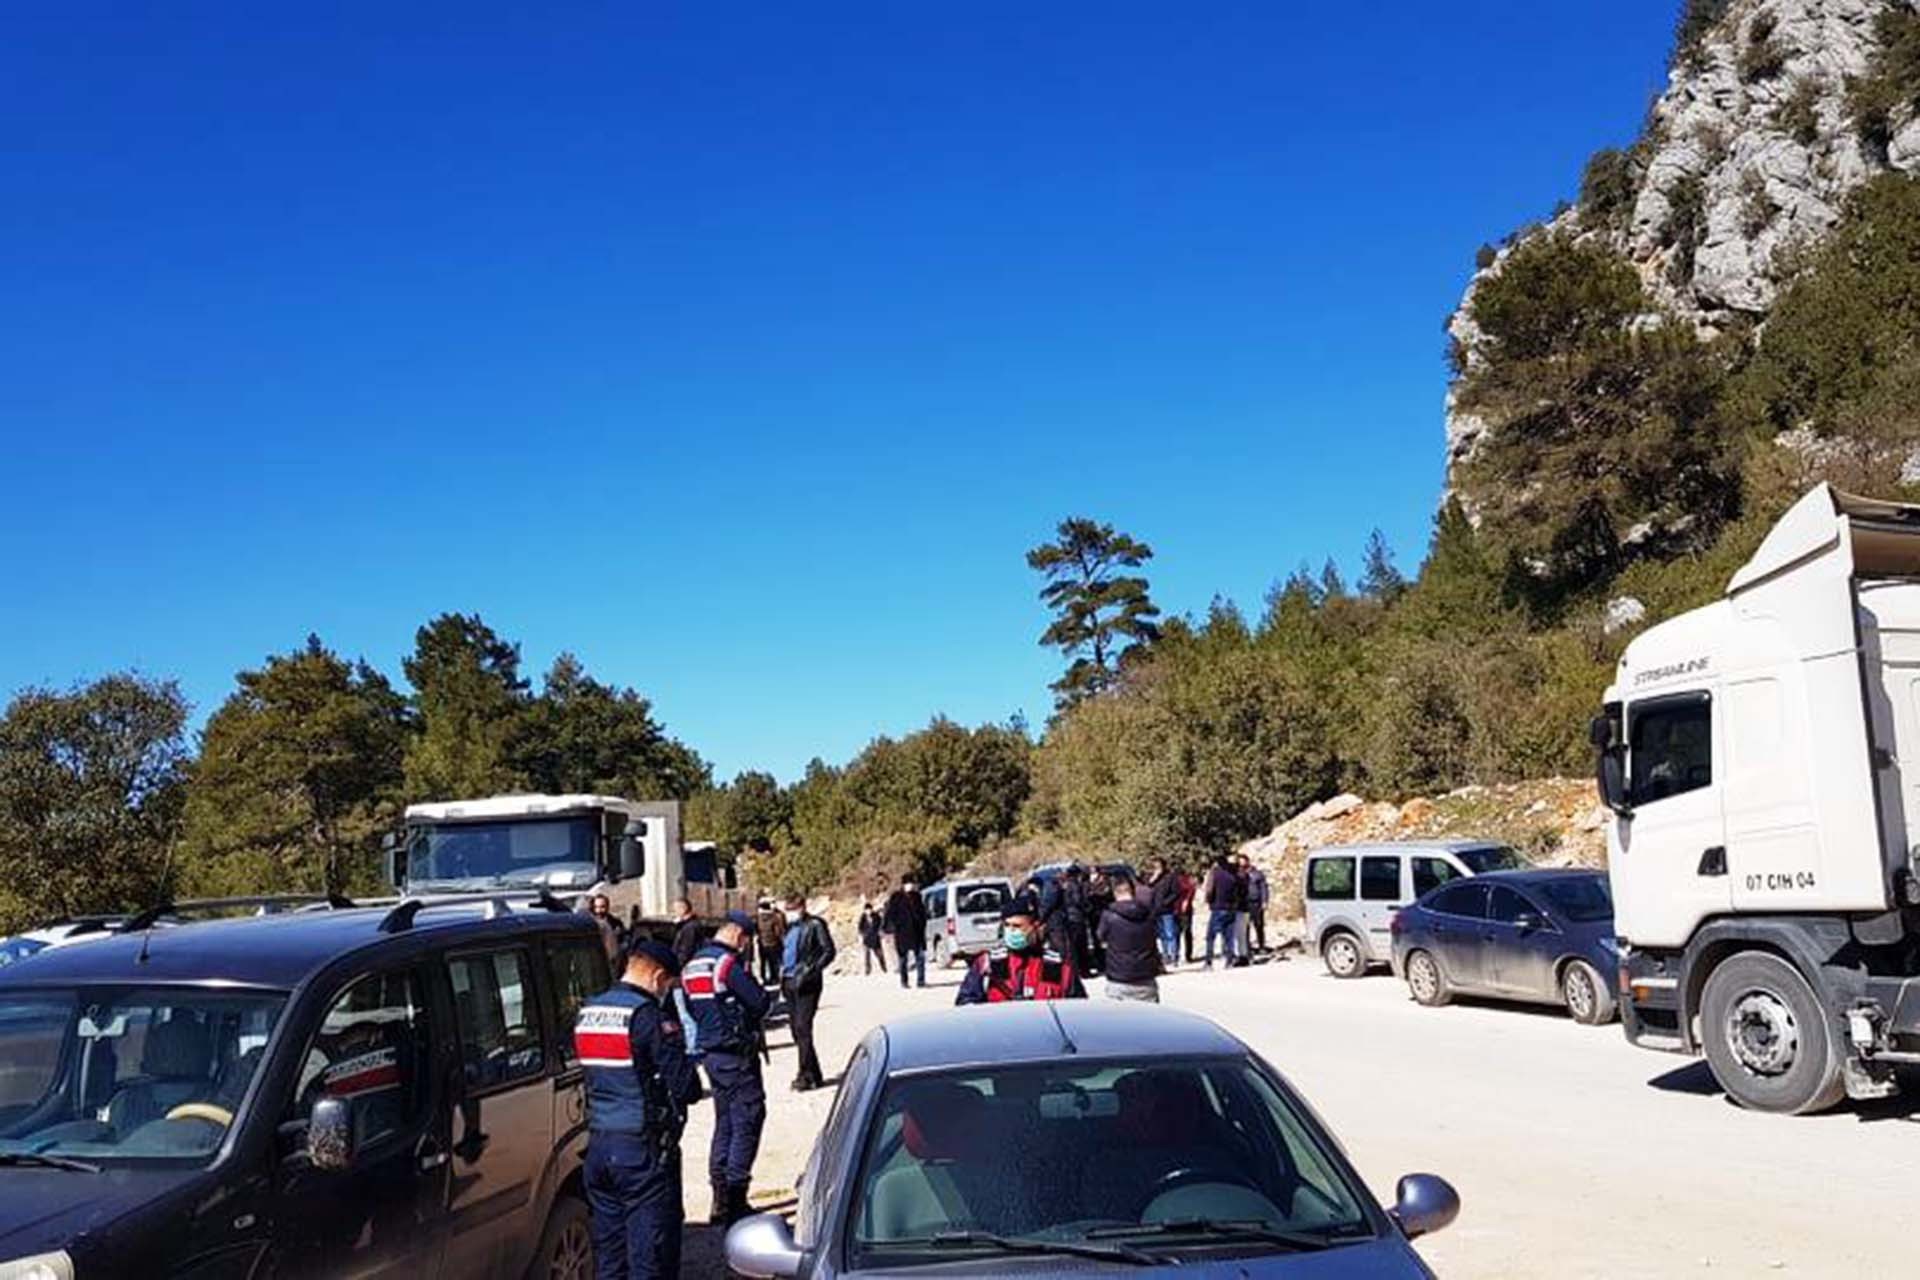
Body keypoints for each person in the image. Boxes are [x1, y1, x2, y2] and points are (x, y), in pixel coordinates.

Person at [574, 939, 704, 1280]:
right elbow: (685, 1087)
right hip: (641, 1153)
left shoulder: (588, 1011)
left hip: (599, 1146)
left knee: (610, 1253)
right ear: (658, 977)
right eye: (669, 986)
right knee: (650, 1255)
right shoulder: (648, 1017)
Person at [683, 910, 772, 1230]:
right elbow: (759, 1002)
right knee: (747, 1118)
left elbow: (693, 1010)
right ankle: (736, 1200)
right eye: (746, 940)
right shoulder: (727, 964)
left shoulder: (693, 965)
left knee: (724, 1123)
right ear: (738, 935)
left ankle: (719, 1199)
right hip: (736, 1053)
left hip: (711, 1053)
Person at [956, 897, 1086, 1004]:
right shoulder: (988, 964)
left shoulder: (1058, 966)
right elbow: (966, 1003)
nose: (1011, 931)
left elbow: (1079, 1011)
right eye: (1007, 925)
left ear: (1036, 927)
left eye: (1017, 926)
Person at [779, 895, 835, 1091]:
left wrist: (811, 970)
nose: (789, 913)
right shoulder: (788, 928)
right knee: (796, 1030)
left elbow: (828, 951)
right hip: (788, 981)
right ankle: (814, 1074)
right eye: (787, 909)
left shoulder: (815, 924)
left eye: (792, 908)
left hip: (806, 983)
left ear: (802, 907)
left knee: (803, 1028)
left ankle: (804, 1075)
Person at [1097, 878, 1162, 1002]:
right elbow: (1155, 935)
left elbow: (1101, 937)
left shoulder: (1109, 916)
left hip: (1118, 977)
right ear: (1133, 892)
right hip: (1145, 977)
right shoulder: (1148, 914)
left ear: (1115, 893)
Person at [882, 876, 928, 989]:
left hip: (917, 931)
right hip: (902, 932)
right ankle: (904, 981)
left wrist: (922, 923)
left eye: (912, 883)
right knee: (903, 959)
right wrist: (893, 927)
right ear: (903, 885)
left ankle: (921, 980)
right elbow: (890, 914)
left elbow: (922, 912)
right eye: (908, 883)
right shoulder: (896, 897)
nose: (910, 886)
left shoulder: (917, 896)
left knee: (920, 957)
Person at [1203, 854, 1240, 970]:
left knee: (1210, 936)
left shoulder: (1215, 873)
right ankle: (1229, 961)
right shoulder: (1233, 874)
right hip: (1231, 908)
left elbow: (1209, 889)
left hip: (1218, 907)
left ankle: (1209, 962)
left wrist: (1208, 901)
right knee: (1229, 937)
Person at [1143, 858, 1180, 967]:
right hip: (1155, 909)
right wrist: (1154, 877)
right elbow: (1148, 886)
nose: (1157, 868)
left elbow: (1176, 892)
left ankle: (1173, 955)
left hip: (1167, 909)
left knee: (1170, 933)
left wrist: (1166, 902)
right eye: (1155, 866)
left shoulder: (1170, 877)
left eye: (1159, 866)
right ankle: (1165, 955)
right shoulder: (1152, 877)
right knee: (1162, 935)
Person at [586, 893, 628, 967]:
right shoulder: (590, 924)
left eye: (602, 907)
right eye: (596, 907)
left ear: (608, 907)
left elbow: (623, 941)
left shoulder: (615, 923)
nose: (599, 911)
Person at [1243, 854, 1270, 955]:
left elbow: (1264, 888)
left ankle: (1261, 945)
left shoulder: (1257, 874)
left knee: (1259, 925)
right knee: (1245, 927)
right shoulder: (1240, 875)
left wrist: (1264, 901)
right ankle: (1246, 947)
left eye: (1243, 862)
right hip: (1245, 904)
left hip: (1256, 903)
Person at [754, 900, 786, 987]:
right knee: (773, 962)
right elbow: (778, 931)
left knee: (763, 962)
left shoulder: (758, 918)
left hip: (762, 943)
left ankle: (763, 978)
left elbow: (756, 930)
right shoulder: (774, 917)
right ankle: (774, 978)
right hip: (773, 943)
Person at [1175, 865, 1198, 965]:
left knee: (1181, 932)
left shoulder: (1181, 881)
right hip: (1181, 909)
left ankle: (1181, 955)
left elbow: (1191, 890)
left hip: (1180, 909)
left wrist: (1187, 901)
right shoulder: (1186, 880)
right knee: (1185, 932)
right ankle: (1185, 955)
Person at [669, 898, 702, 969]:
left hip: (685, 965)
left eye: (676, 909)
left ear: (683, 909)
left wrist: (678, 965)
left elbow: (686, 949)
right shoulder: (687, 925)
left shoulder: (690, 927)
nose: (674, 912)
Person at [857, 901, 887, 974]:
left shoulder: (876, 916)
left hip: (875, 938)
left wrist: (880, 933)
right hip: (866, 939)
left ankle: (884, 968)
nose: (868, 911)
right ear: (865, 910)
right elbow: (860, 928)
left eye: (869, 909)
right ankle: (867, 971)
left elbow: (881, 925)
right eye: (867, 910)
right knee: (866, 956)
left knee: (880, 954)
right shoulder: (862, 917)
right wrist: (862, 935)